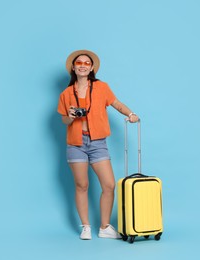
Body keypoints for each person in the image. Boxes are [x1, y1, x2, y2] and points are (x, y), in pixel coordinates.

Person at [57, 50, 139, 240]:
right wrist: (69, 117)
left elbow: (116, 103)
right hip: (76, 143)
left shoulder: (101, 87)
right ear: (73, 67)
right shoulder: (66, 93)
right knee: (81, 185)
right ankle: (86, 226)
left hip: (97, 142)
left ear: (92, 67)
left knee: (109, 184)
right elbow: (63, 120)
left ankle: (104, 227)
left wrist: (130, 114)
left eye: (87, 63)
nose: (83, 65)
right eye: (79, 62)